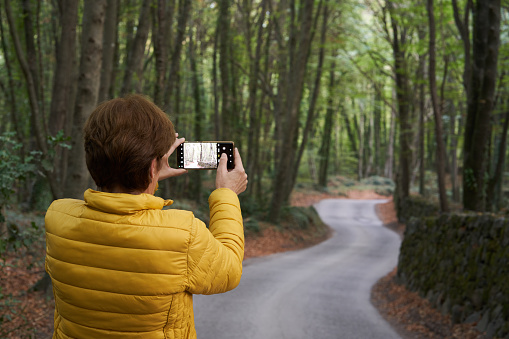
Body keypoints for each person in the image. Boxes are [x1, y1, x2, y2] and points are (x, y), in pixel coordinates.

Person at [44, 94, 247, 339]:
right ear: (154, 166)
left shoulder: (57, 217)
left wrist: (146, 177)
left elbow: (118, 208)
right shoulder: (183, 234)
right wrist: (226, 194)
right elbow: (230, 270)